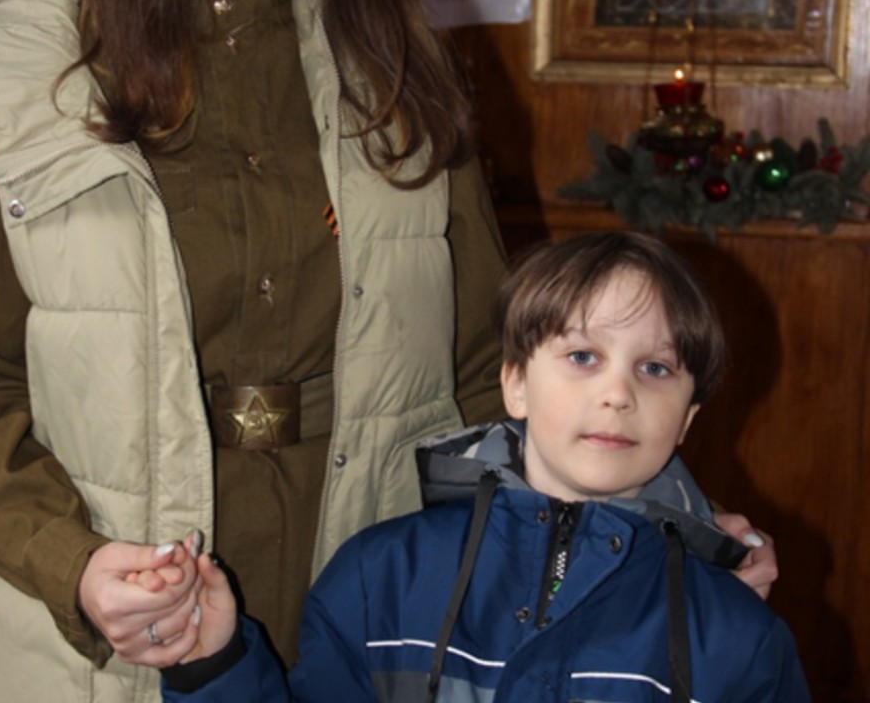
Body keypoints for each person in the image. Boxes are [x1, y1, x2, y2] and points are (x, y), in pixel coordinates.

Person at [0, 0, 776, 701]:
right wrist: (71, 565)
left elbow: (495, 371)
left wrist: (676, 529)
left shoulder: (393, 48)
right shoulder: (27, 58)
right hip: (107, 653)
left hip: (380, 621)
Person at [158, 231, 810, 703]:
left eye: (655, 368)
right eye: (583, 357)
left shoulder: (735, 632)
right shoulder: (381, 579)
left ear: (687, 420)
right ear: (515, 383)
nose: (618, 393)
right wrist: (214, 667)